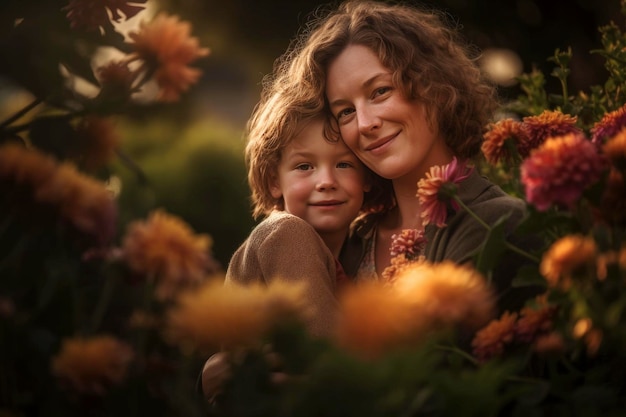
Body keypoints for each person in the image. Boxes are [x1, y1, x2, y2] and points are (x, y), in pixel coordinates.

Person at [267, 0, 541, 310]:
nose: (365, 123)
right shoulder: (352, 239)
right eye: (345, 111)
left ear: (432, 85)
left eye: (380, 91)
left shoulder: (499, 223)